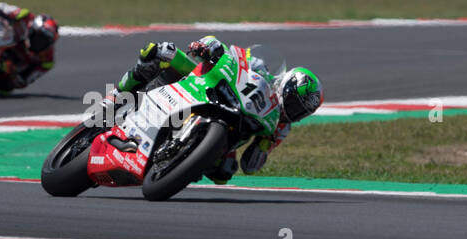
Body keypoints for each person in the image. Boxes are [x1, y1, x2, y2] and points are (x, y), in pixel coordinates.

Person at [115, 35, 323, 184]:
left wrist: (264, 145)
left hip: (230, 128)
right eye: (294, 103)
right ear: (285, 86)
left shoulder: (281, 127)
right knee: (160, 52)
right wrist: (208, 47)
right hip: (207, 86)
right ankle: (117, 95)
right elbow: (231, 53)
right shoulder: (261, 67)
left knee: (224, 173)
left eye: (300, 112)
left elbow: (250, 166)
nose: (293, 112)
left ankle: (180, 160)